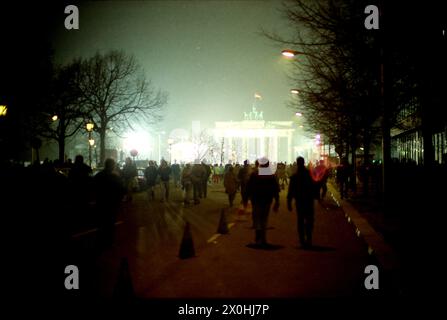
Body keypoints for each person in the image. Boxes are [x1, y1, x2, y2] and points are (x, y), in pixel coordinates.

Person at [246, 157, 280, 247]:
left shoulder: (255, 174)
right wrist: (277, 201)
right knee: (264, 219)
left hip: (256, 200)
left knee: (257, 219)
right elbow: (275, 189)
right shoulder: (271, 175)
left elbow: (249, 187)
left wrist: (247, 198)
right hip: (267, 200)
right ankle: (263, 239)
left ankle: (258, 238)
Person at [94, 158, 125, 248]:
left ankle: (100, 240)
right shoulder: (115, 177)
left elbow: (94, 187)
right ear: (113, 166)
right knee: (110, 223)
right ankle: (109, 241)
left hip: (101, 202)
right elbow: (121, 190)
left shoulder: (99, 175)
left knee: (101, 222)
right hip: (112, 203)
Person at [287, 156, 316, 249]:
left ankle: (302, 240)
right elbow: (315, 186)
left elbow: (291, 190)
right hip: (309, 200)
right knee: (309, 219)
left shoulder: (295, 176)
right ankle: (309, 237)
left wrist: (289, 202)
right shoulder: (309, 175)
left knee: (300, 220)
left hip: (299, 201)